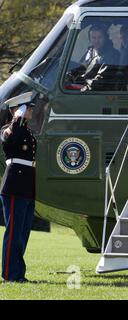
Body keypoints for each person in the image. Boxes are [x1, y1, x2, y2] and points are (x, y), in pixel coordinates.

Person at [0, 91, 37, 283]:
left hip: (26, 187)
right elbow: (11, 140)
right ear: (17, 109)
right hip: (14, 186)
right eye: (27, 107)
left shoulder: (26, 131)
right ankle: (10, 275)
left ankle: (18, 273)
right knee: (14, 233)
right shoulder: (9, 129)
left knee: (22, 234)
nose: (31, 110)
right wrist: (17, 119)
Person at [77, 25, 120, 91]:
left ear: (105, 38)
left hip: (101, 92)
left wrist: (84, 86)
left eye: (100, 37)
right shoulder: (91, 51)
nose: (97, 41)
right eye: (94, 38)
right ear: (90, 39)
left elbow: (101, 81)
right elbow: (81, 68)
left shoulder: (112, 55)